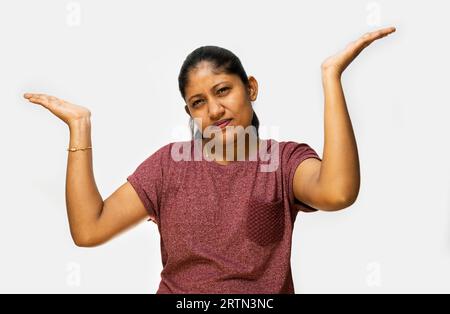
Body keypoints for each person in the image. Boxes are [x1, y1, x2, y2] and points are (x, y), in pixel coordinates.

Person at [23, 26, 396, 293]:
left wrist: (331, 78)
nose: (215, 110)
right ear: (189, 112)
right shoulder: (169, 166)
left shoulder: (282, 162)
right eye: (199, 103)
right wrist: (80, 126)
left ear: (250, 88)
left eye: (223, 91)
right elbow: (89, 230)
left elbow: (338, 192)